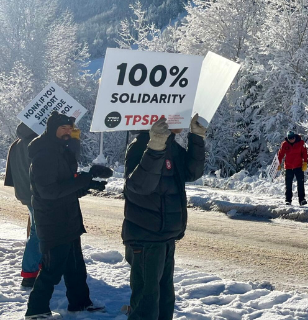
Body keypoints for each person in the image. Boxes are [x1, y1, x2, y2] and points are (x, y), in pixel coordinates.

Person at [25, 112, 112, 320]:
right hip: (53, 220)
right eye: (63, 128)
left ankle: (79, 302)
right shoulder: (44, 154)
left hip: (68, 218)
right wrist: (84, 178)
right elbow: (49, 192)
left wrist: (88, 184)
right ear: (52, 128)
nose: (67, 132)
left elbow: (66, 186)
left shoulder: (61, 150)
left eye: (69, 128)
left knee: (75, 267)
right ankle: (35, 310)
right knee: (52, 269)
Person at [122, 115, 206, 320]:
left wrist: (197, 138)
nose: (183, 121)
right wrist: (154, 148)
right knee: (146, 303)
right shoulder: (140, 145)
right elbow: (139, 186)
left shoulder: (172, 146)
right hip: (146, 237)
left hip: (166, 236)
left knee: (165, 299)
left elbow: (191, 172)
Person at [4, 122, 40, 289]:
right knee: (37, 233)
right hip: (38, 195)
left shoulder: (16, 144)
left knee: (36, 230)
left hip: (25, 194)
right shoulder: (37, 143)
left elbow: (10, 172)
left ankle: (35, 267)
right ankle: (29, 273)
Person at [277, 130, 308, 206]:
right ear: (287, 138)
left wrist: (305, 162)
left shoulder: (301, 143)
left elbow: (304, 152)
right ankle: (288, 200)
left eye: (293, 138)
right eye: (290, 138)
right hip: (288, 167)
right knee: (288, 184)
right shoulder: (284, 144)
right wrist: (278, 163)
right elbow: (280, 154)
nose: (291, 139)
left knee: (300, 184)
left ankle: (302, 199)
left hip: (298, 166)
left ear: (295, 137)